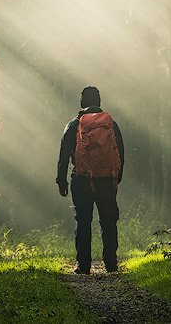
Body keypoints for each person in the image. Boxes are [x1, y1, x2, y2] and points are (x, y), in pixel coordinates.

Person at [56, 86, 125, 274]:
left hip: (82, 179)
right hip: (106, 180)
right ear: (99, 101)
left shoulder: (74, 125)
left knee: (83, 220)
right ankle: (111, 263)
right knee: (108, 221)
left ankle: (83, 265)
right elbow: (120, 153)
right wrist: (115, 178)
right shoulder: (111, 125)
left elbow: (63, 155)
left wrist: (61, 181)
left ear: (82, 102)